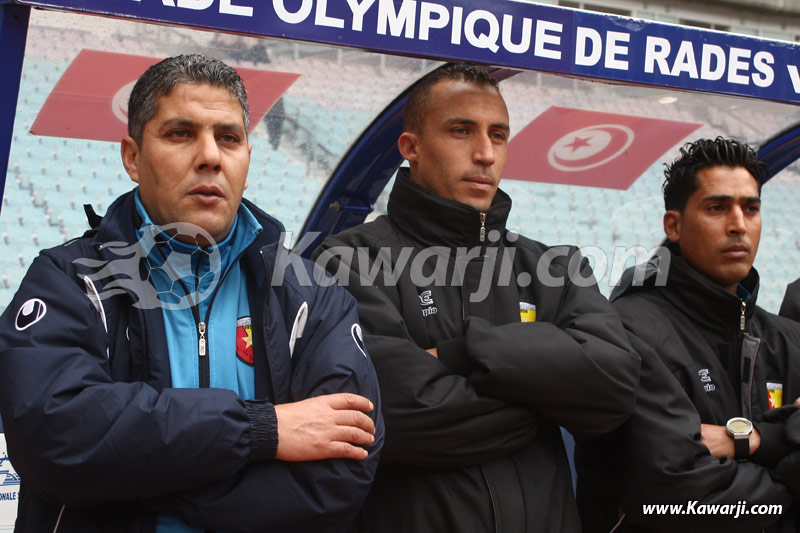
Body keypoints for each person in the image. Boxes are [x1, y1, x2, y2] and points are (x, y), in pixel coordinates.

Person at [0, 54, 384, 532]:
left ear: (247, 159)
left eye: (229, 138)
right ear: (132, 158)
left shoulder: (311, 294)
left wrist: (143, 480)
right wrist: (264, 430)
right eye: (181, 133)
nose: (210, 156)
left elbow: (339, 475)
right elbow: (55, 439)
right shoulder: (69, 280)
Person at [313, 63, 640, 532]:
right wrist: (547, 394)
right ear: (411, 147)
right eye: (461, 131)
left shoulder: (554, 267)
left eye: (498, 135)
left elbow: (615, 386)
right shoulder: (349, 259)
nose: (485, 154)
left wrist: (462, 352)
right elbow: (394, 418)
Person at [576, 137, 800, 531]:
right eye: (717, 208)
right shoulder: (628, 331)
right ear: (674, 226)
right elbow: (679, 497)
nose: (738, 224)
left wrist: (751, 439)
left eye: (751, 208)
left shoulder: (788, 339)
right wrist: (790, 489)